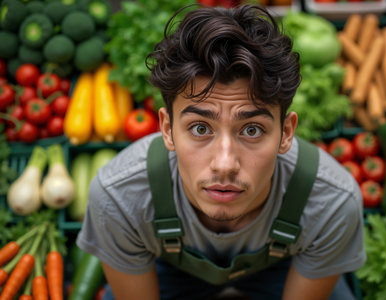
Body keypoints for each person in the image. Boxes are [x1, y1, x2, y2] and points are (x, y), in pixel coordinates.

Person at [76, 4, 366, 300]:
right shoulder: (120, 197)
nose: (225, 164)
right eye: (200, 128)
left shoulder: (331, 202)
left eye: (251, 130)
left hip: (287, 266)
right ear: (166, 128)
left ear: (286, 133)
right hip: (166, 268)